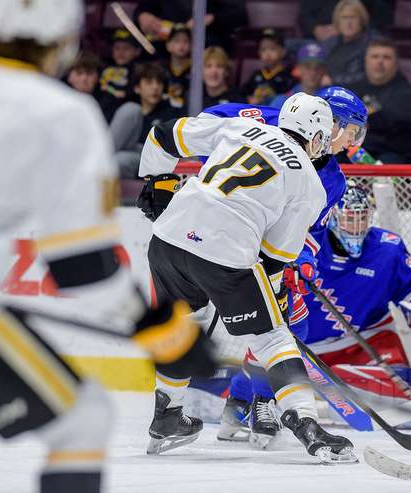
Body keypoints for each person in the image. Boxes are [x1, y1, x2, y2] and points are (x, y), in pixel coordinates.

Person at [0, 1, 214, 492]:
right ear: (66, 38)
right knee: (82, 421)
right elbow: (82, 267)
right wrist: (159, 331)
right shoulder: (59, 113)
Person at [137, 93, 360, 463]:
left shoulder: (243, 126)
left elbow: (163, 133)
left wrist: (157, 181)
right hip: (224, 251)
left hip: (167, 237)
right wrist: (267, 301)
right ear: (317, 136)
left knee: (184, 324)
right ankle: (307, 426)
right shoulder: (311, 182)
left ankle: (167, 417)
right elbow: (275, 258)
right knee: (274, 336)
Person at [223, 183, 411, 447]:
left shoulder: (387, 248)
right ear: (334, 217)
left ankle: (390, 401)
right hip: (301, 346)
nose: (356, 226)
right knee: (266, 356)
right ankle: (240, 401)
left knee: (393, 375)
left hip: (360, 341)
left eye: (362, 217)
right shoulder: (310, 242)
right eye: (350, 218)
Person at [349, 37, 411, 163]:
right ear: (366, 61)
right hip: (353, 151)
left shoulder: (408, 94)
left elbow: (402, 135)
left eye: (386, 57)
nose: (380, 61)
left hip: (391, 155)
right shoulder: (352, 90)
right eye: (375, 56)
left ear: (396, 64)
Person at [117, 63, 184, 178]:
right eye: (149, 82)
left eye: (159, 83)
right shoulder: (129, 111)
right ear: (137, 88)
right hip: (125, 155)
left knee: (118, 161)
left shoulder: (171, 114)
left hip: (153, 163)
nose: (155, 87)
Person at [323, 0, 374, 87]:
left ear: (361, 20)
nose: (348, 22)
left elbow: (368, 77)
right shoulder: (330, 43)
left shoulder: (372, 45)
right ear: (337, 22)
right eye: (344, 18)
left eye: (352, 17)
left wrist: (333, 80)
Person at [241, 29, 294, 106]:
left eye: (272, 49)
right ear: (259, 53)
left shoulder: (288, 74)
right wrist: (249, 99)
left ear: (283, 52)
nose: (267, 53)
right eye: (263, 50)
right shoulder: (256, 75)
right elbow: (243, 91)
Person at [98, 29, 143, 121]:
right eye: (117, 48)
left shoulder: (139, 71)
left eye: (126, 48)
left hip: (123, 115)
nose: (121, 52)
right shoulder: (103, 67)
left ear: (137, 51)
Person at [270, 42, 329, 109]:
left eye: (318, 67)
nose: (313, 72)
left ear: (324, 70)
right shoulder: (282, 101)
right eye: (307, 66)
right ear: (298, 68)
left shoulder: (332, 100)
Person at [300, 0, 394, 41]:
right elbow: (304, 15)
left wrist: (347, 29)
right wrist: (315, 29)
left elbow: (383, 17)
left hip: (360, 40)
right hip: (320, 41)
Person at [164, 23, 191, 109]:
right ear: (168, 45)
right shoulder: (161, 69)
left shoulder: (197, 70)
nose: (181, 45)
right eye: (177, 41)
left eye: (186, 41)